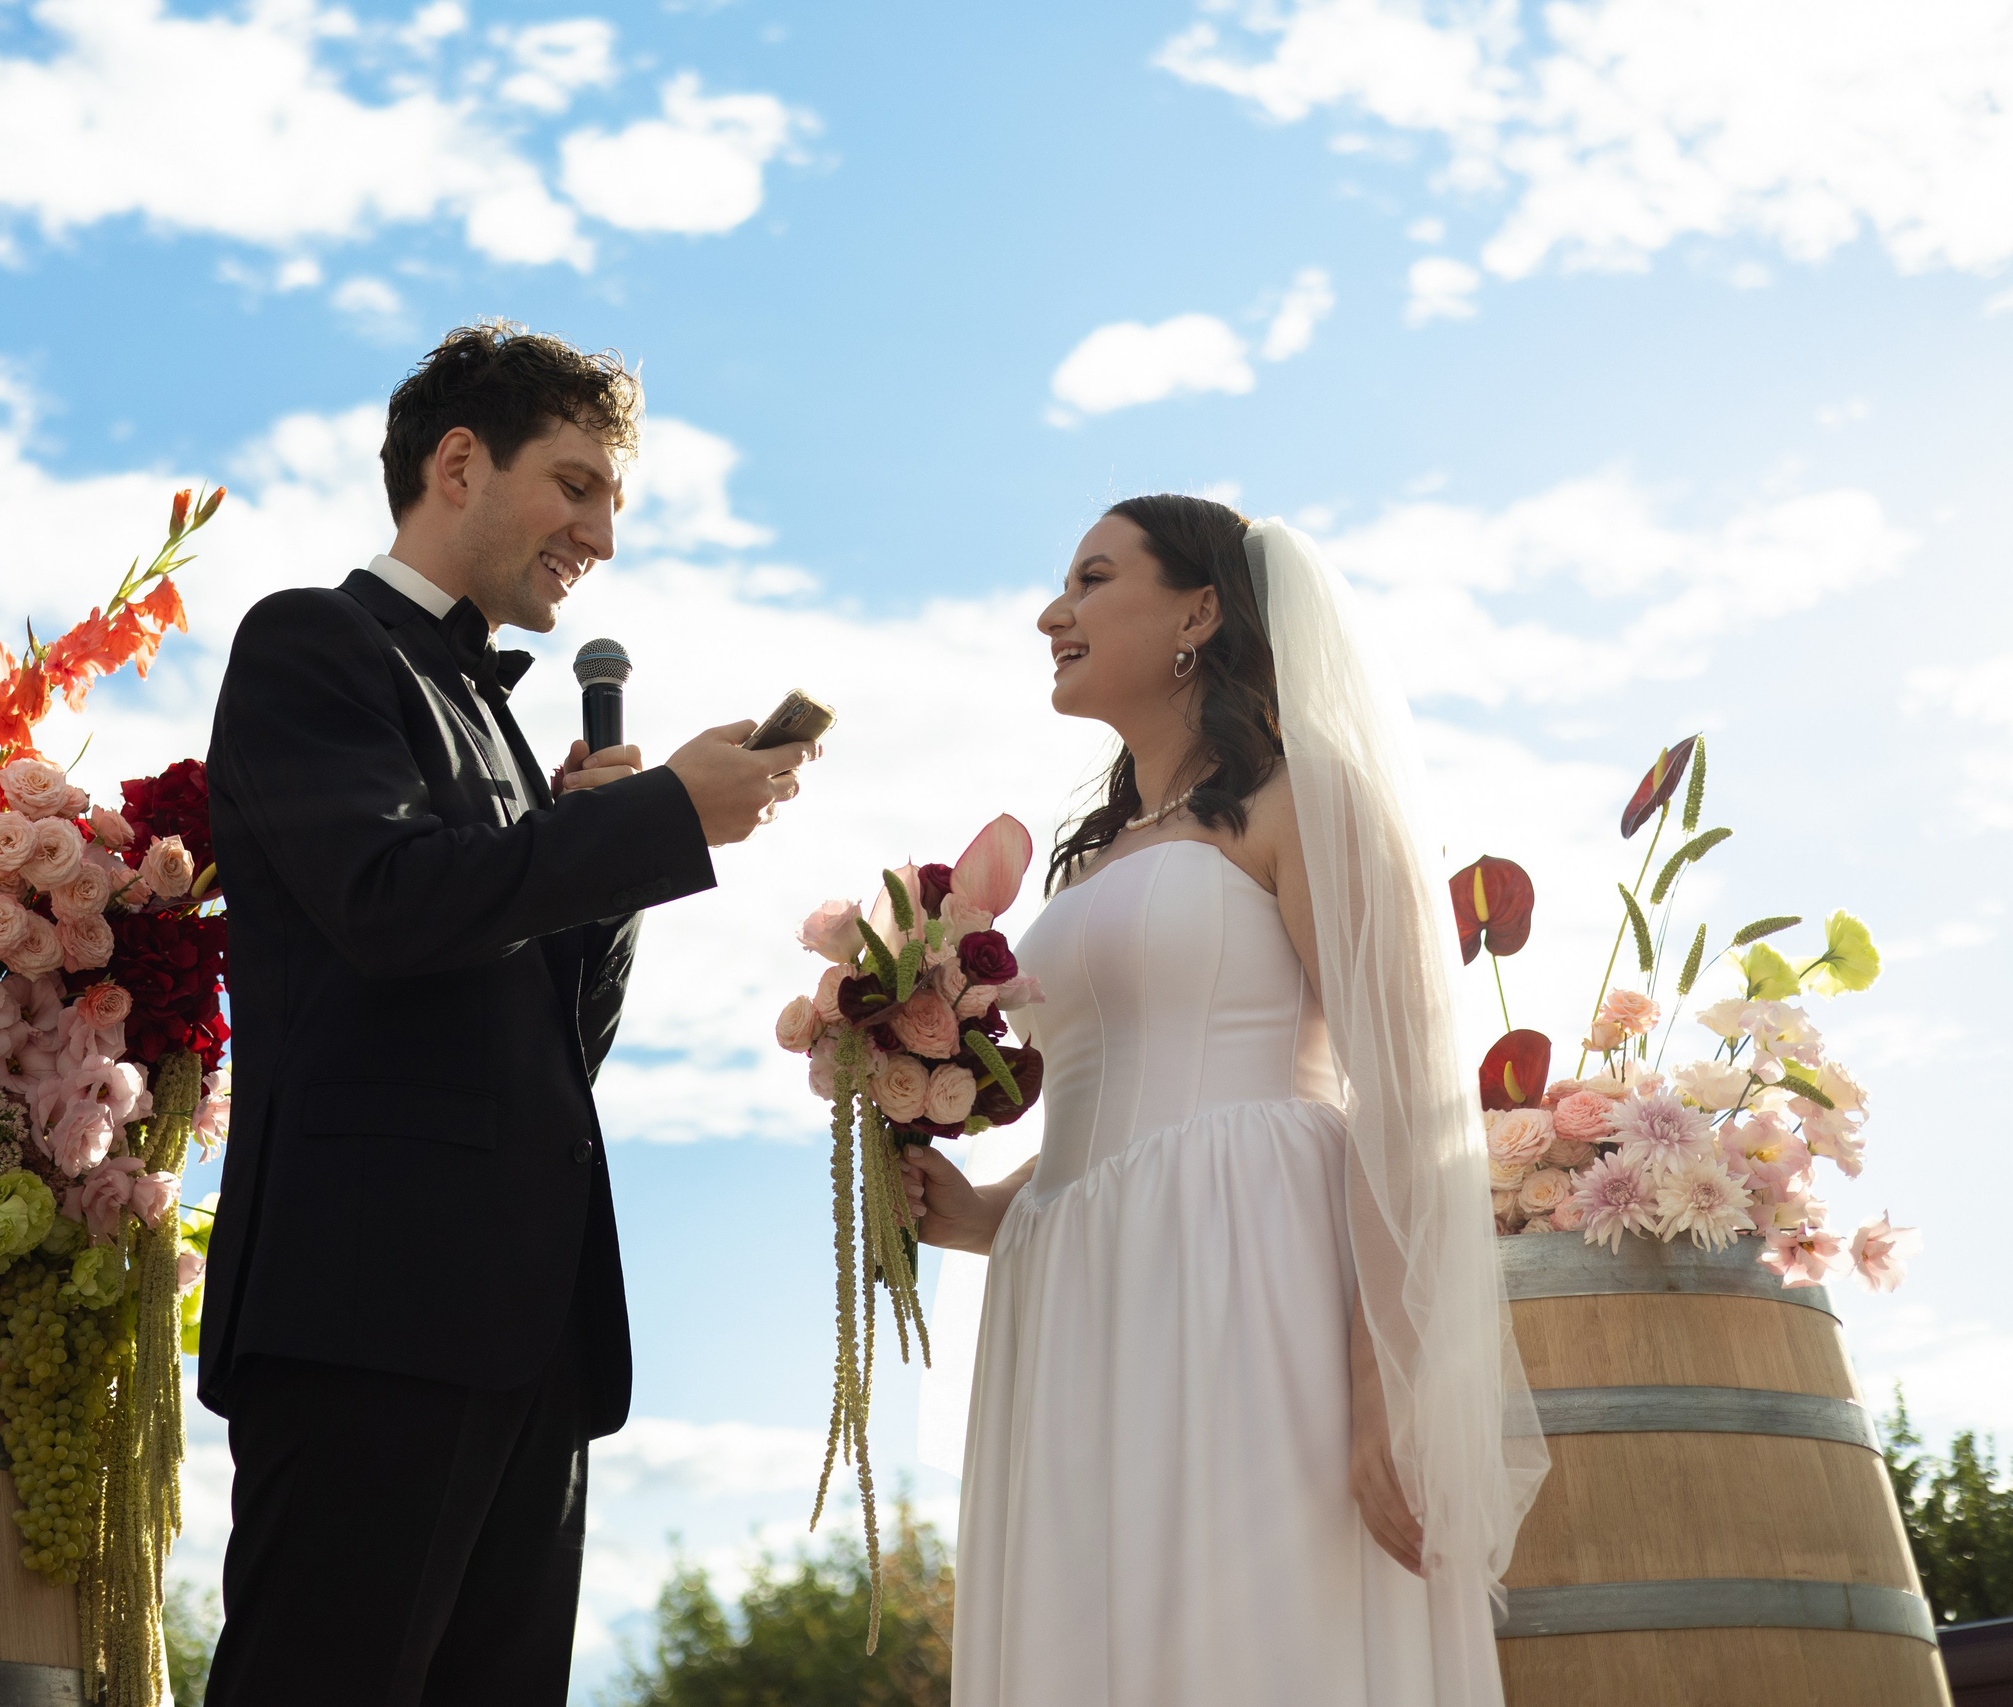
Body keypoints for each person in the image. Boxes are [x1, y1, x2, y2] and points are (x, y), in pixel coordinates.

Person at [198, 321, 813, 1706]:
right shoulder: (314, 641)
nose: (600, 531)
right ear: (459, 461)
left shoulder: (511, 729)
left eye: (611, 500)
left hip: (536, 1326)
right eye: (578, 484)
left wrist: (616, 873)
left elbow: (548, 1038)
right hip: (370, 1303)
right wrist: (664, 817)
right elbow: (390, 901)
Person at [900, 496, 1545, 1705]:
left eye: (1093, 580)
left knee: (1255, 1633)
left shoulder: (1306, 799)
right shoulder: (1092, 859)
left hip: (1248, 1272)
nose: (1054, 613)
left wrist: (1382, 1383)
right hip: (1075, 1283)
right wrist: (976, 1212)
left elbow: (1406, 1097)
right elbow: (1104, 1111)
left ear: (1200, 609)